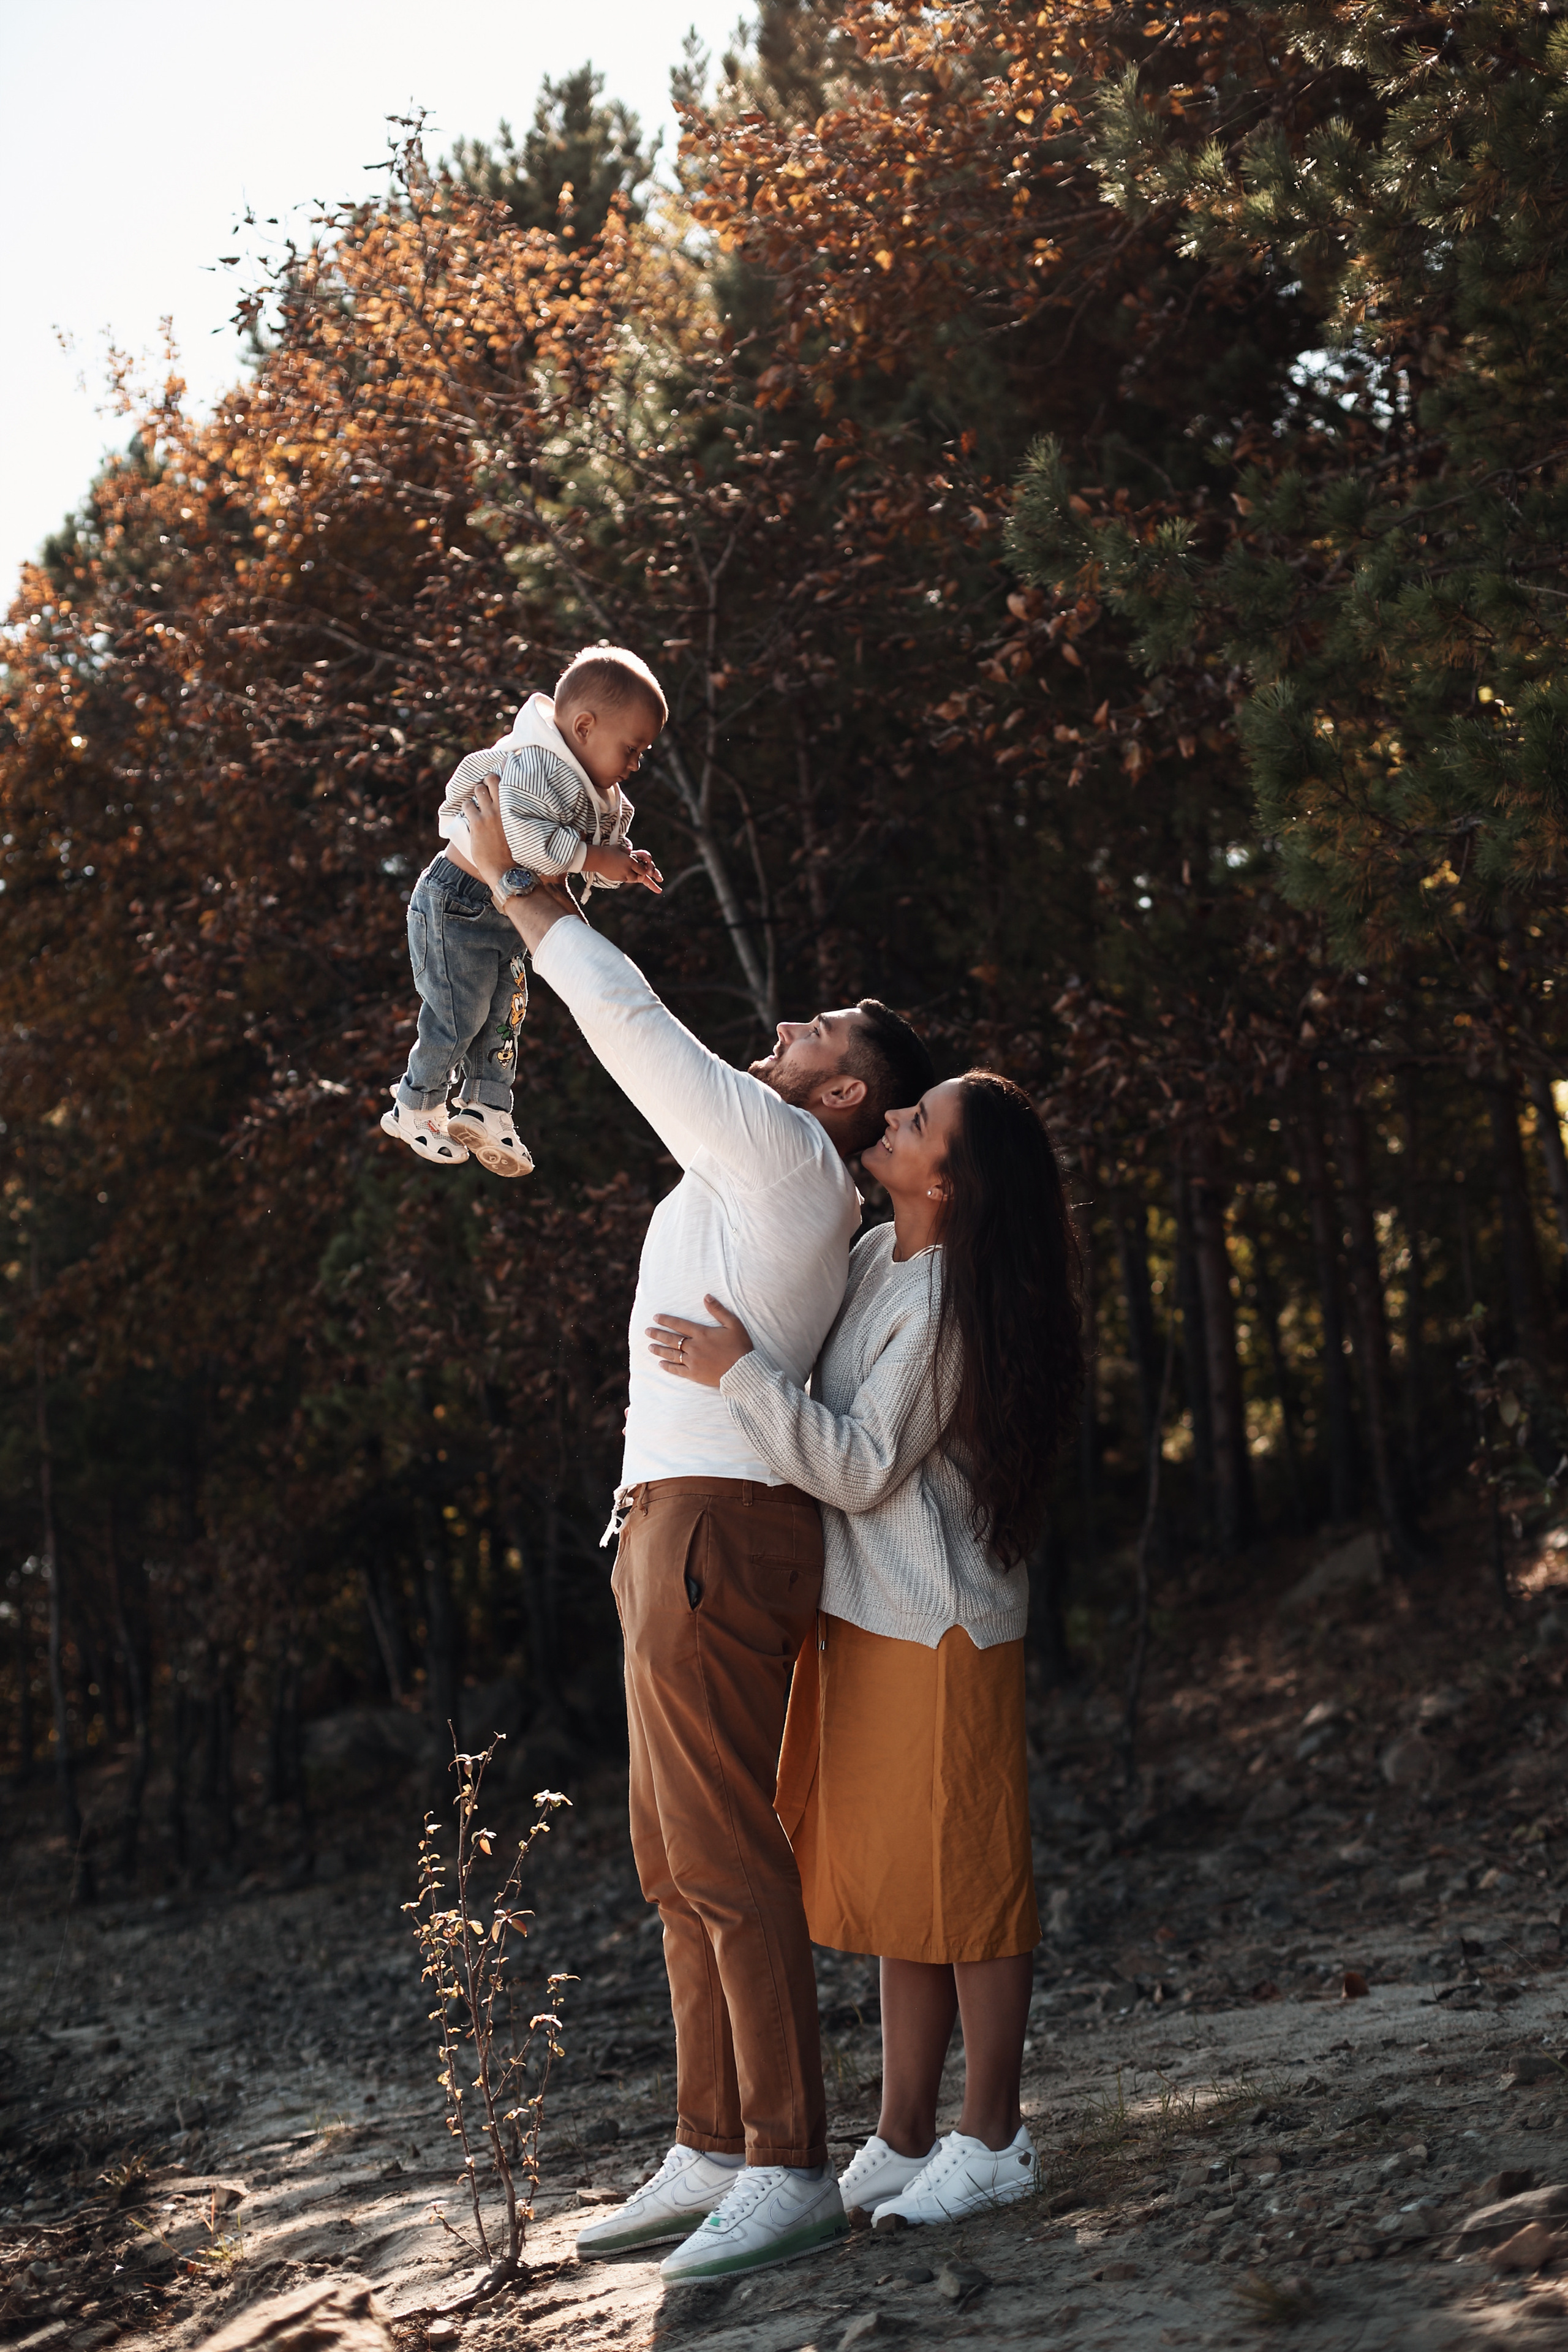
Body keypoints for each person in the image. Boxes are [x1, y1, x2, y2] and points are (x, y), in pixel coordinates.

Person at [455, 777, 937, 2282]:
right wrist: (564, 865)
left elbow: (628, 1023)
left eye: (818, 1036)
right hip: (674, 1525)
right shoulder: (758, 1163)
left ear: (842, 1099)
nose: (784, 1029)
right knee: (674, 1857)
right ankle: (712, 2140)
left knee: (723, 1850)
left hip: (717, 1529)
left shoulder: (783, 1153)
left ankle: (785, 2161)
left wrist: (518, 887)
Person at [648, 1069, 1082, 2231]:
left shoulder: (944, 1301)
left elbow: (858, 1466)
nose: (890, 1119)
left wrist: (736, 1374)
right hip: (876, 1615)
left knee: (969, 1882)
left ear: (950, 1181)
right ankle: (901, 2137)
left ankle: (995, 2136)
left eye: (916, 1122)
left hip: (943, 1622)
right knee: (905, 1886)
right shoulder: (876, 1256)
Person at [380, 646, 666, 1178]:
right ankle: (416, 1105)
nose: (635, 764)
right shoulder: (537, 765)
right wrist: (594, 857)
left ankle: (487, 1106)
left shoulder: (603, 794)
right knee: (458, 1015)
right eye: (631, 748)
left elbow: (588, 861)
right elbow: (531, 843)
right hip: (458, 901)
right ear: (584, 727)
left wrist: (620, 866)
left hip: (504, 909)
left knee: (505, 1015)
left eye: (642, 752)